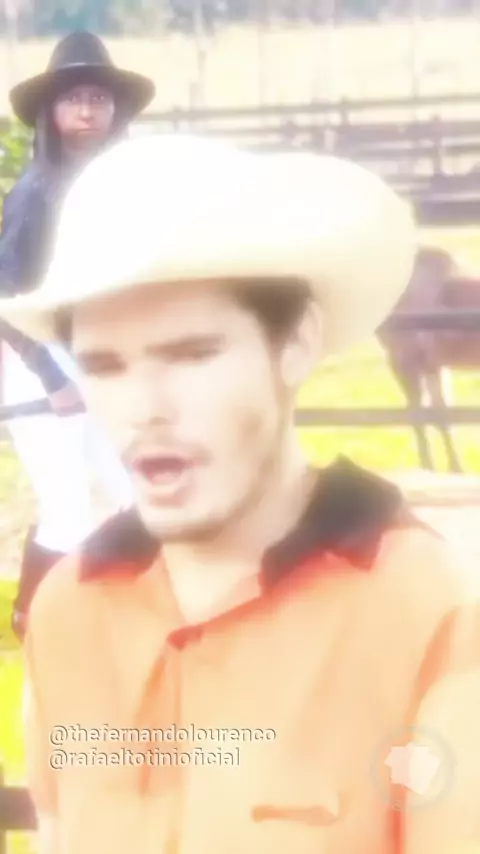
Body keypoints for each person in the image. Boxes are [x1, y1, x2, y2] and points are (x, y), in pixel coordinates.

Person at [3, 134, 480, 854]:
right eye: (105, 366)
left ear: (296, 345)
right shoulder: (69, 609)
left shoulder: (430, 614)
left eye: (192, 355)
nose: (143, 407)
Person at [0, 31, 155, 639]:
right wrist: (51, 377)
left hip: (93, 356)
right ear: (51, 112)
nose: (87, 110)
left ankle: (129, 620)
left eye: (98, 98)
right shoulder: (35, 194)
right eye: (73, 99)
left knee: (130, 492)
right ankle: (34, 625)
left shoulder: (119, 191)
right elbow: (4, 297)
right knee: (68, 509)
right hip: (34, 361)